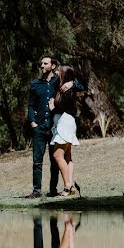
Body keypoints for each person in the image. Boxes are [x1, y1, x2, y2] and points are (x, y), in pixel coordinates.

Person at [25, 55, 84, 198]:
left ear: (52, 66)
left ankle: (53, 190)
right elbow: (31, 105)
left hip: (55, 126)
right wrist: (32, 121)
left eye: (45, 63)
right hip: (39, 127)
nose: (42, 66)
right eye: (41, 64)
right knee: (37, 160)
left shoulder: (58, 81)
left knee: (55, 160)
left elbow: (81, 86)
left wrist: (72, 84)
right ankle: (36, 191)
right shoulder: (35, 84)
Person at [49, 65, 82, 197]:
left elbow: (62, 107)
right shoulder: (63, 87)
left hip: (64, 122)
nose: (56, 72)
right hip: (65, 122)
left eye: (59, 71)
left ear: (65, 75)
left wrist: (52, 107)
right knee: (67, 156)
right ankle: (70, 187)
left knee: (57, 155)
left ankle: (68, 186)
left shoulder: (67, 90)